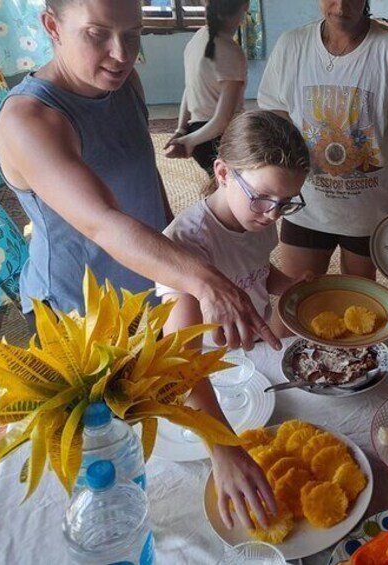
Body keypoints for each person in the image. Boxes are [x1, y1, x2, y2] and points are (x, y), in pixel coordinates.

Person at [0, 1, 279, 368]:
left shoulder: (126, 83)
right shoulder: (30, 119)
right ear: (52, 26)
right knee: (111, 421)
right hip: (79, 310)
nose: (121, 54)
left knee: (166, 400)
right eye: (97, 34)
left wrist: (181, 245)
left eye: (133, 34)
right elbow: (102, 220)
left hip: (148, 283)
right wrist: (206, 281)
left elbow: (145, 172)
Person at [157, 110, 311, 530]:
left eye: (287, 203)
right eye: (264, 198)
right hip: (201, 393)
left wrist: (293, 286)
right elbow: (182, 365)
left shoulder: (259, 222)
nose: (274, 214)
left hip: (248, 371)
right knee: (207, 490)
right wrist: (222, 448)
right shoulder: (186, 244)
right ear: (223, 172)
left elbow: (260, 272)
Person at [257, 0, 388, 281]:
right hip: (306, 206)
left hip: (371, 213)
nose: (341, 6)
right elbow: (274, 110)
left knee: (357, 303)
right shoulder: (291, 46)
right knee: (296, 298)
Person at [165, 0, 249, 175]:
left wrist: (182, 130)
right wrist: (188, 141)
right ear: (245, 6)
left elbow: (189, 90)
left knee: (220, 187)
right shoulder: (230, 51)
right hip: (215, 137)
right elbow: (222, 120)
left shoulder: (197, 38)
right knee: (236, 191)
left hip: (197, 132)